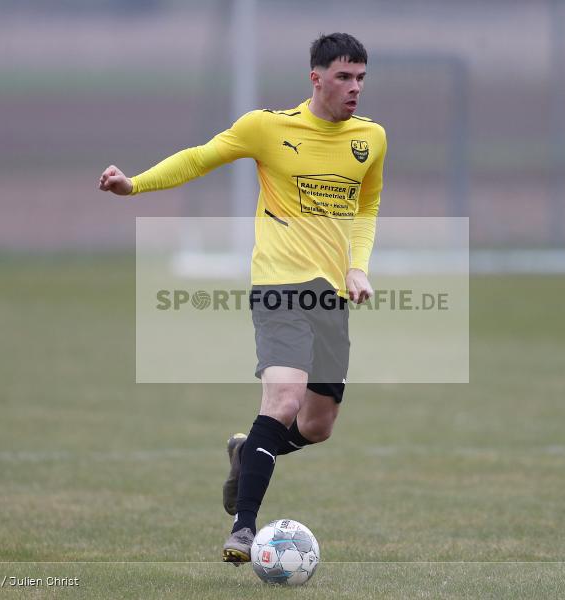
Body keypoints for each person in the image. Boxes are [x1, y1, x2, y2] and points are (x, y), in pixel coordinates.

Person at [98, 33, 386, 564]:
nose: (355, 89)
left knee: (317, 426)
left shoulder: (371, 139)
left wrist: (357, 267)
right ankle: (244, 529)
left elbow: (366, 208)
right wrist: (133, 185)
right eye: (344, 77)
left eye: (361, 78)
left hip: (330, 297)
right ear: (315, 78)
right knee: (283, 401)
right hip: (278, 286)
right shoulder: (267, 128)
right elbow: (199, 159)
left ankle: (246, 449)